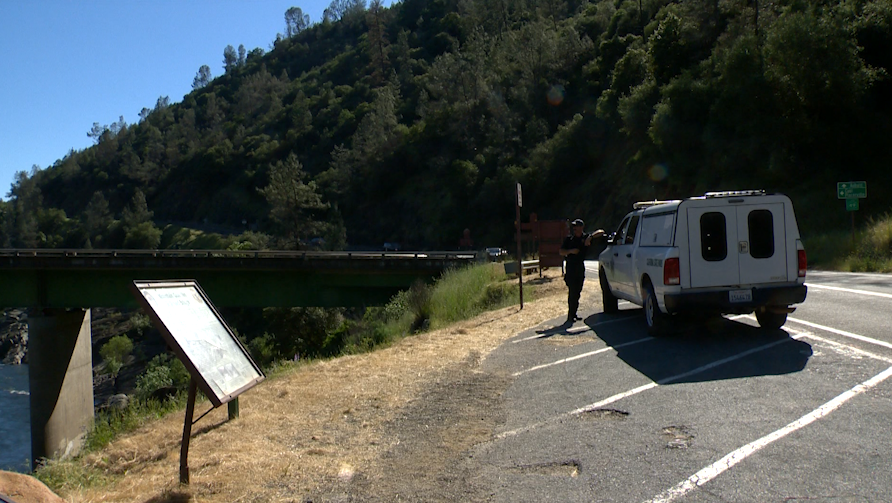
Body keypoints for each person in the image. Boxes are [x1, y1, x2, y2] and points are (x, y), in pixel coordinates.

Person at [560, 218, 606, 323]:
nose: (574, 228)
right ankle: (570, 315)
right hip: (571, 267)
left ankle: (573, 313)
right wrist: (571, 251)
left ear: (581, 227)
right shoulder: (569, 239)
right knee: (572, 292)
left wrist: (590, 237)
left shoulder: (585, 238)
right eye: (574, 227)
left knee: (578, 292)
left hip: (580, 268)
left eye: (576, 226)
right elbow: (561, 251)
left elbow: (601, 232)